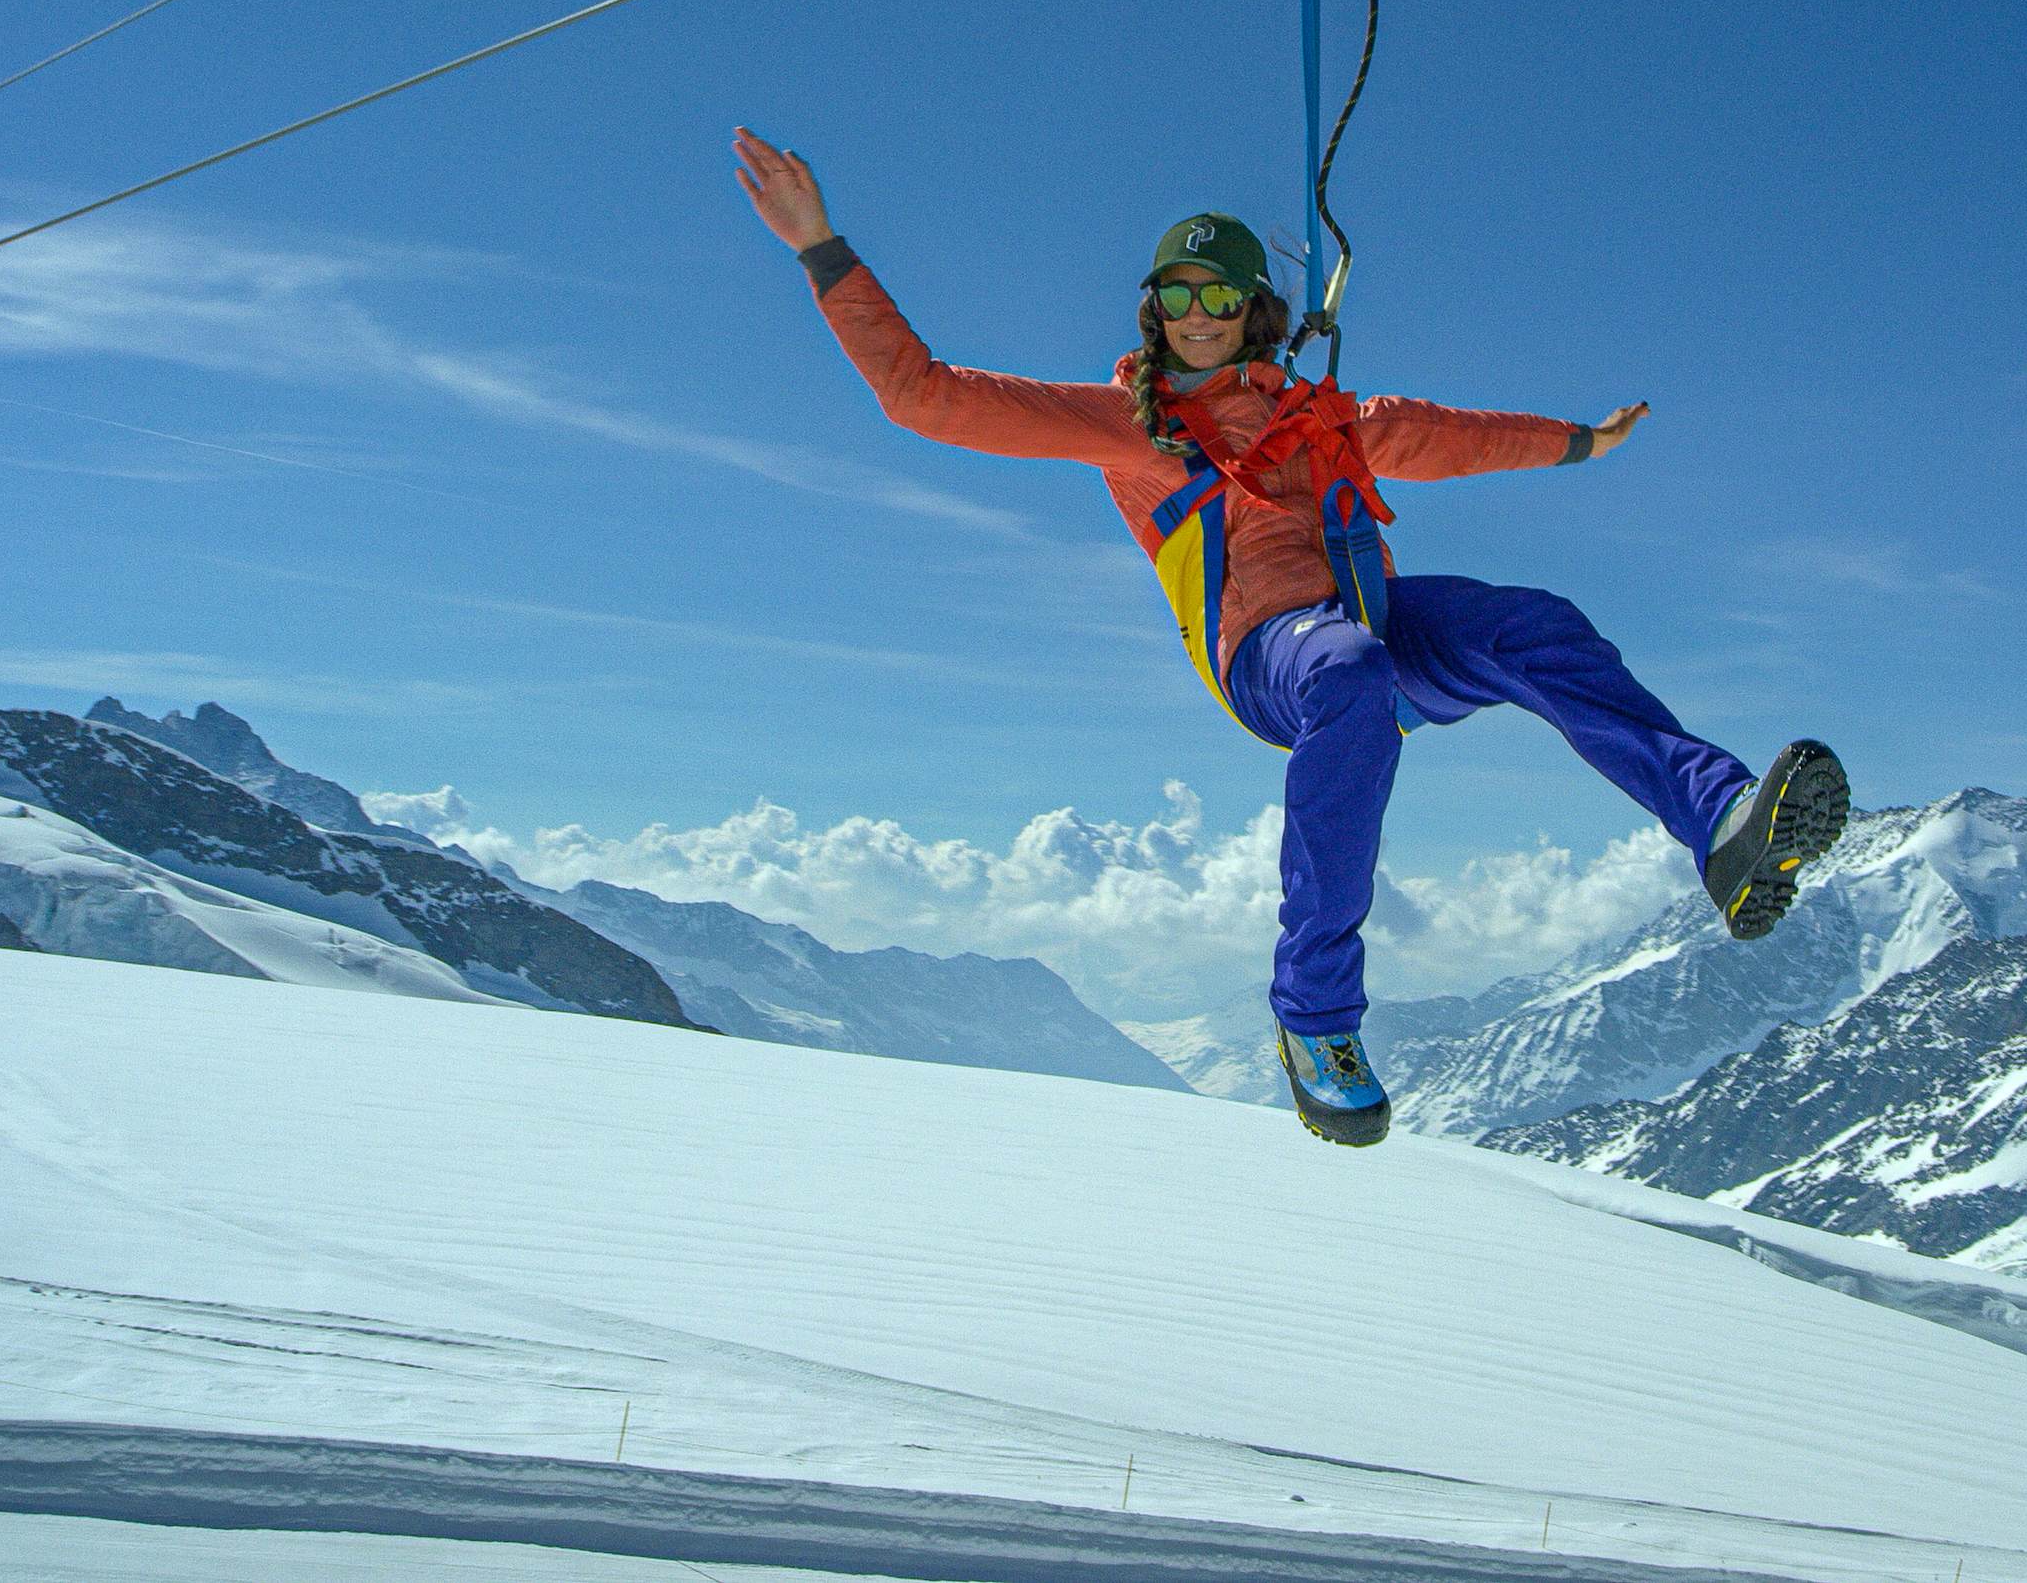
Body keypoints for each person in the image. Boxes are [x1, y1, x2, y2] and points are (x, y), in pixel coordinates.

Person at [731, 127, 1848, 1146]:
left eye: (1217, 290)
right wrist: (822, 249)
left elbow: (1445, 437)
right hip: (1273, 656)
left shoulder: (1321, 417)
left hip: (1368, 630)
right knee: (1352, 670)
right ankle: (1314, 1019)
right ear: (1154, 310)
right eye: (1175, 293)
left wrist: (1579, 445)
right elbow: (927, 396)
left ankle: (1723, 826)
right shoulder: (1126, 424)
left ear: (1253, 306)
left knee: (1532, 623)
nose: (1197, 311)